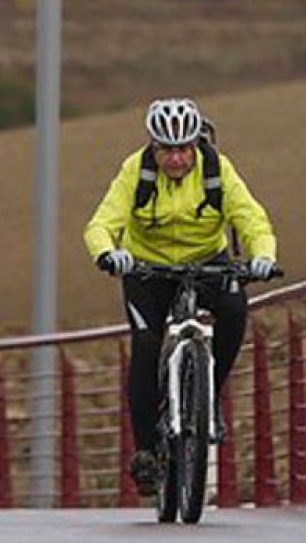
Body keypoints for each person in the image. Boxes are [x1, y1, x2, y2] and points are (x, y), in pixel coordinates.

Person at [84, 97, 280, 496]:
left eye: (183, 149)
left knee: (233, 306)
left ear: (196, 144)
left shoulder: (216, 169)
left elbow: (252, 218)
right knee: (145, 343)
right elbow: (102, 222)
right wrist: (108, 253)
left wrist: (263, 257)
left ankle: (208, 394)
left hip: (207, 261)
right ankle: (146, 453)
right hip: (147, 269)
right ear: (153, 147)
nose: (175, 159)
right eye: (166, 150)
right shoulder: (135, 171)